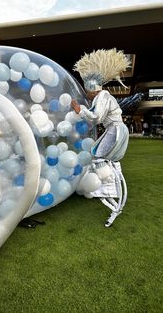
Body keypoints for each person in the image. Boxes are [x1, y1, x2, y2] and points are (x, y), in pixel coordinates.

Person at [71, 48, 130, 226]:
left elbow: (96, 117)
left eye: (87, 90)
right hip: (114, 129)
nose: (86, 94)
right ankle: (111, 191)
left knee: (98, 158)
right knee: (103, 157)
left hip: (115, 130)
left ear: (91, 88)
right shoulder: (102, 97)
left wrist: (79, 110)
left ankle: (109, 191)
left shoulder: (102, 96)